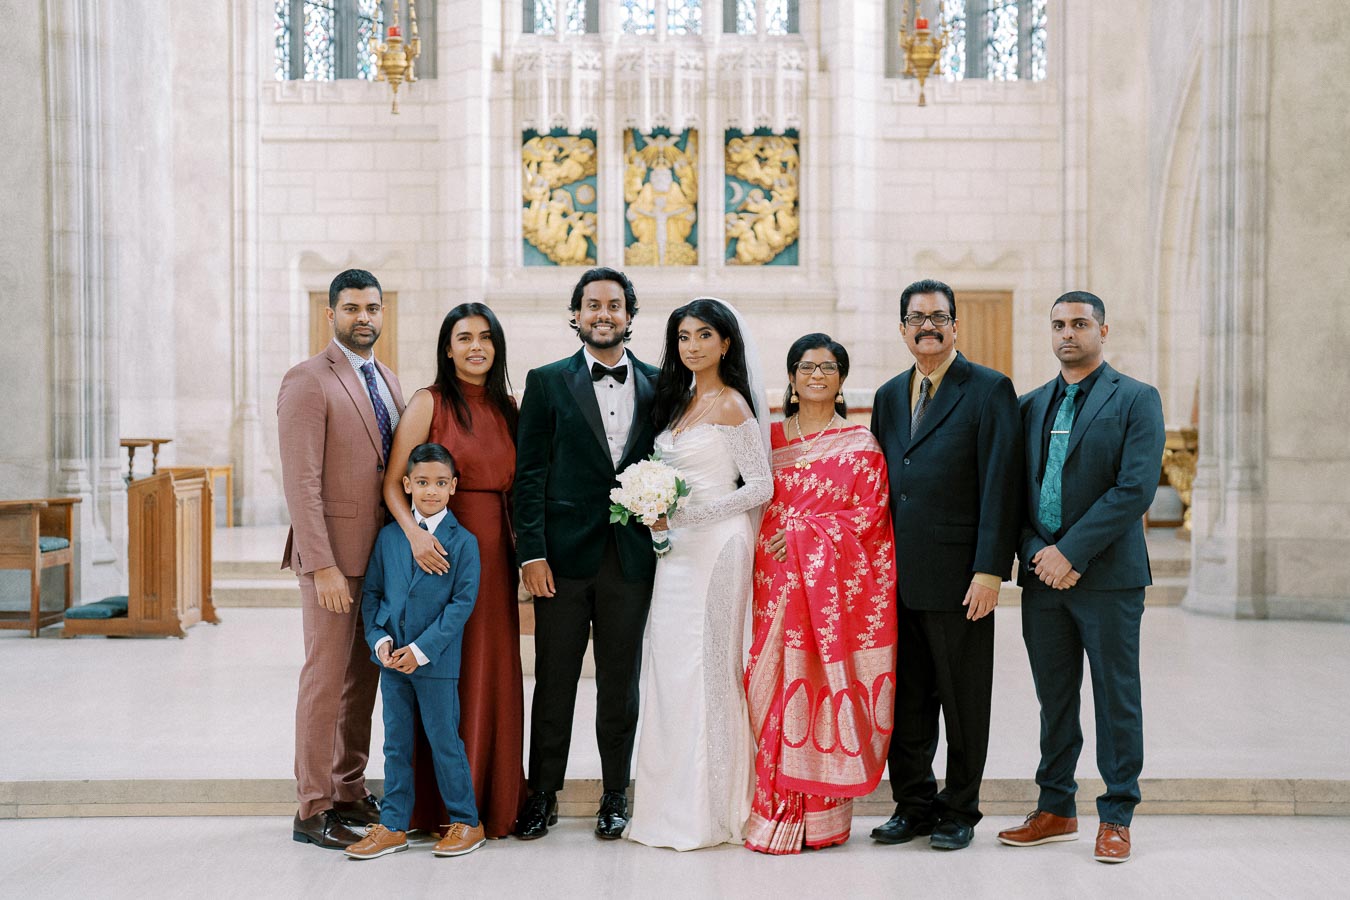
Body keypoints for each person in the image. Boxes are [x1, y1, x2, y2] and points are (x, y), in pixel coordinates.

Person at [996, 291, 1164, 865]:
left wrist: (1070, 552)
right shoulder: (1030, 405)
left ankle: (1116, 814)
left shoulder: (1137, 399)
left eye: (1079, 324)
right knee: (1055, 699)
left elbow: (1133, 489)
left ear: (1103, 330)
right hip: (1044, 579)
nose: (1068, 333)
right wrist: (1037, 553)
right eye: (1058, 325)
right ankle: (1056, 806)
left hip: (1108, 578)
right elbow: (1015, 493)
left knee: (1117, 697)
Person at [869, 278, 1023, 851]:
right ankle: (912, 804)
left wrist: (989, 570)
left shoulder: (987, 390)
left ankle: (959, 809)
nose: (926, 326)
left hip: (962, 579)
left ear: (955, 325)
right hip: (897, 578)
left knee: (962, 703)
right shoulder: (888, 396)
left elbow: (1000, 486)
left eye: (938, 317)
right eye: (915, 318)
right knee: (907, 701)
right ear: (902, 327)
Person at [513, 267, 661, 840]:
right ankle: (541, 793)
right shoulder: (546, 382)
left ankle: (614, 794)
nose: (604, 313)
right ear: (575, 314)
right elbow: (529, 477)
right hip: (562, 562)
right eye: (593, 304)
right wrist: (532, 555)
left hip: (630, 560)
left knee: (621, 686)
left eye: (615, 305)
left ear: (630, 315)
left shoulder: (657, 383)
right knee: (554, 681)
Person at [626, 297, 772, 851]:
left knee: (709, 667)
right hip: (677, 554)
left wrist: (688, 515)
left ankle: (713, 810)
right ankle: (666, 808)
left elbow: (759, 486)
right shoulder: (680, 402)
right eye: (683, 336)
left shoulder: (733, 404)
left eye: (703, 335)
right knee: (669, 669)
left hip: (719, 546)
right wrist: (659, 518)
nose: (692, 345)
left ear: (726, 343)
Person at [743, 334, 898, 855]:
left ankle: (821, 818)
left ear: (841, 380)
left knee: (816, 688)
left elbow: (871, 520)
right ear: (790, 377)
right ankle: (772, 810)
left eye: (828, 367)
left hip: (827, 596)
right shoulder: (766, 441)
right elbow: (745, 505)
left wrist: (808, 535)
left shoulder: (861, 445)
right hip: (771, 584)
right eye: (806, 367)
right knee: (766, 686)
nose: (816, 375)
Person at [381, 302, 527, 839]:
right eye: (464, 337)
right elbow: (394, 482)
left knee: (487, 668)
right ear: (447, 347)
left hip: (493, 559)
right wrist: (417, 536)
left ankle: (488, 799)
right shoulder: (428, 402)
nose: (476, 347)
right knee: (440, 666)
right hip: (435, 553)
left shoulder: (511, 407)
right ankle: (432, 808)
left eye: (486, 337)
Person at [278, 268, 404, 850]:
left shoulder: (390, 381)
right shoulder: (308, 380)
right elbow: (301, 483)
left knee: (364, 681)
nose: (364, 318)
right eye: (352, 308)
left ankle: (348, 787)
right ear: (331, 314)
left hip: (379, 560)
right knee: (325, 680)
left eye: (372, 308)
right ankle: (311, 808)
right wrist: (322, 564)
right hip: (332, 560)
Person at [345, 443, 486, 860]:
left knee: (445, 741)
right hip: (391, 663)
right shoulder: (390, 537)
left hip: (436, 663)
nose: (431, 491)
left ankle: (467, 821)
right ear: (406, 484)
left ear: (453, 487)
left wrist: (422, 650)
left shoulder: (465, 543)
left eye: (441, 483)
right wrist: (381, 640)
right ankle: (393, 825)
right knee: (396, 744)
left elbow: (462, 605)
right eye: (422, 482)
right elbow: (372, 595)